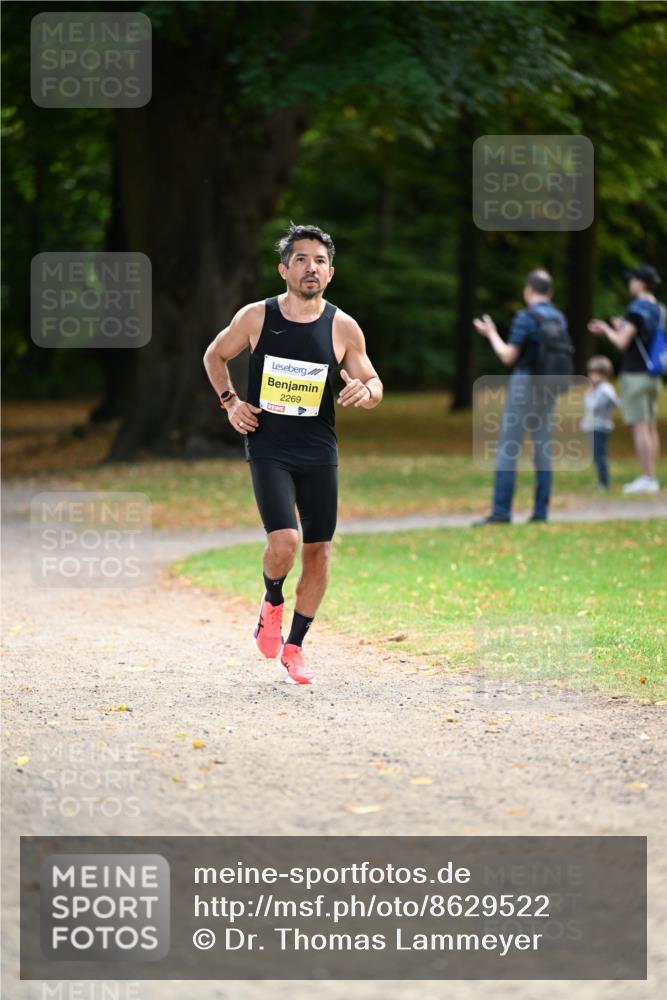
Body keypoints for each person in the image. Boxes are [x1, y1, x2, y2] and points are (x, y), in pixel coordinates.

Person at [203, 223, 383, 684]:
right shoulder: (256, 317)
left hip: (319, 448)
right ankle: (272, 600)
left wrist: (367, 392)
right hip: (269, 444)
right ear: (284, 269)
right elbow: (214, 356)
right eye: (301, 259)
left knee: (319, 551)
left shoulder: (343, 327)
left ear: (331, 272)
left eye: (320, 261)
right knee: (285, 542)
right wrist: (231, 402)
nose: (311, 268)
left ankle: (295, 646)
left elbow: (373, 381)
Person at [472, 269, 569, 524]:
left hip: (525, 383)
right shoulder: (559, 318)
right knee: (542, 448)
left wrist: (491, 334)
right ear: (550, 292)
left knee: (508, 446)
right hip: (550, 385)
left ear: (528, 290)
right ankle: (541, 512)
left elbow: (508, 356)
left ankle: (501, 511)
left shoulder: (526, 317)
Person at [588, 264, 663, 494]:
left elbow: (621, 342)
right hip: (654, 374)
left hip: (635, 374)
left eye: (632, 280)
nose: (630, 283)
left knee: (639, 426)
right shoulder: (659, 309)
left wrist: (606, 329)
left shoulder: (636, 308)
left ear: (640, 283)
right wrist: (622, 327)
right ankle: (652, 476)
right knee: (650, 426)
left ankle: (647, 478)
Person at [580, 355, 619, 490]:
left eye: (596, 373)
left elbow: (600, 405)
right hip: (593, 426)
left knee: (600, 455)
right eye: (591, 373)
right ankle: (602, 481)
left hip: (600, 427)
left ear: (605, 374)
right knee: (597, 456)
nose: (592, 376)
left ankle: (604, 483)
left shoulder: (605, 390)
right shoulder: (595, 389)